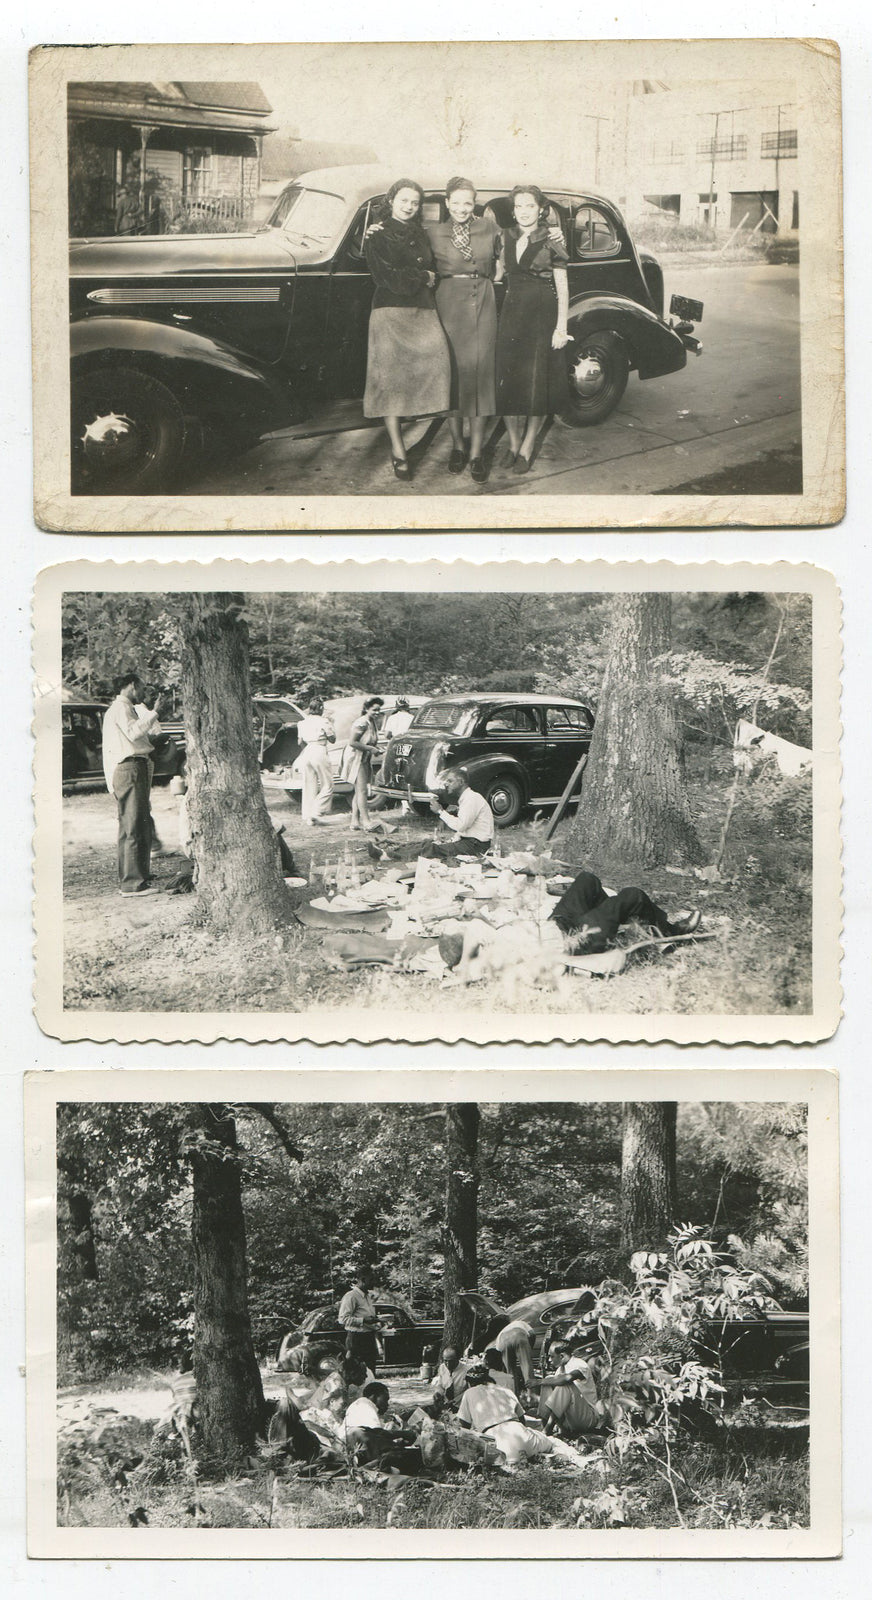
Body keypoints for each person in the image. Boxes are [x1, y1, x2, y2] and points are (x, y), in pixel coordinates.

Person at [363, 179, 451, 479]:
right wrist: (423, 277)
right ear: (392, 201)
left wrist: (428, 276)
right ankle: (398, 449)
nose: (409, 207)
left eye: (414, 202)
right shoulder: (377, 234)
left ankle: (445, 437)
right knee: (390, 383)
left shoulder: (421, 233)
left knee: (439, 366)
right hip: (389, 313)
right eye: (404, 201)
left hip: (423, 311)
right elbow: (386, 277)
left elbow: (435, 268)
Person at [425, 176, 500, 481]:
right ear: (447, 203)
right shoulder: (433, 233)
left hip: (482, 302)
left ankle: (477, 452)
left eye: (467, 202)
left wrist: (554, 234)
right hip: (449, 305)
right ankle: (458, 446)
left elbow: (521, 240)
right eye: (455, 202)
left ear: (474, 203)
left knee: (480, 377)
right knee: (452, 377)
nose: (461, 208)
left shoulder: (490, 228)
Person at [495, 185, 571, 474]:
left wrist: (560, 328)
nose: (524, 212)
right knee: (508, 380)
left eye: (529, 206)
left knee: (536, 382)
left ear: (541, 208)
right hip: (512, 313)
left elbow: (562, 288)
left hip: (542, 314)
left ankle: (526, 447)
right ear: (513, 210)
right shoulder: (504, 237)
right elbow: (498, 273)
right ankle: (512, 444)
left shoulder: (552, 240)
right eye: (518, 206)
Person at [101, 670, 160, 897]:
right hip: (130, 768)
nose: (144, 692)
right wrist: (155, 713)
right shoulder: (122, 708)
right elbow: (134, 733)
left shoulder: (120, 710)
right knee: (134, 824)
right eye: (142, 688)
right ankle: (133, 883)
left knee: (134, 824)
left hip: (130, 768)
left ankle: (135, 875)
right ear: (132, 685)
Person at [456, 1366, 580, 1470]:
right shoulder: (505, 1390)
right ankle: (570, 1454)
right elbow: (522, 1420)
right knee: (551, 1441)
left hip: (498, 1445)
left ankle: (519, 1458)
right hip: (521, 1435)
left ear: (469, 1383)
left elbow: (464, 1428)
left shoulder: (469, 1392)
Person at [549, 869, 702, 953]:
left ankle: (638, 926)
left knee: (587, 879)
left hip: (564, 923)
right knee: (633, 895)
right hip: (581, 939)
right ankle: (672, 933)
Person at [422, 768, 495, 859]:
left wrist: (440, 812)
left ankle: (399, 855)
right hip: (470, 843)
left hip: (476, 847)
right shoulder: (467, 798)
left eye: (450, 781)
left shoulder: (471, 799)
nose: (446, 784)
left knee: (432, 849)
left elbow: (461, 825)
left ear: (461, 782)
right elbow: (464, 826)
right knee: (427, 843)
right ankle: (400, 850)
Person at [538, 1341, 603, 1438]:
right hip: (571, 1419)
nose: (550, 1360)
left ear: (561, 1356)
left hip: (587, 1418)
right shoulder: (560, 1369)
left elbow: (568, 1378)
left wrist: (538, 1382)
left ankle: (547, 1429)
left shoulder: (580, 1364)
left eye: (552, 1356)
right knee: (548, 1381)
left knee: (564, 1383)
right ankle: (545, 1423)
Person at [339, 697, 384, 831]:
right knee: (362, 791)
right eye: (374, 710)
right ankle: (366, 821)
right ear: (366, 709)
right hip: (356, 758)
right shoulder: (362, 723)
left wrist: (377, 749)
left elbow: (370, 741)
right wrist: (371, 749)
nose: (377, 712)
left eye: (378, 710)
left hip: (364, 758)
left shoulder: (371, 722)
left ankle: (354, 822)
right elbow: (353, 742)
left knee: (359, 790)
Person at [295, 697, 336, 826]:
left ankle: (308, 816)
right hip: (319, 748)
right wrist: (331, 724)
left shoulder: (302, 723)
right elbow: (333, 739)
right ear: (320, 709)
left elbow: (299, 742)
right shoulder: (324, 721)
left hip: (307, 750)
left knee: (308, 784)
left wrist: (308, 749)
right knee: (328, 784)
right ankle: (316, 812)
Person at [337, 1269, 380, 1373]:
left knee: (370, 1372)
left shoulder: (368, 1296)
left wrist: (377, 1321)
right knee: (355, 1373)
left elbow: (367, 1317)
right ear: (363, 1280)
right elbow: (342, 1319)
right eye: (372, 1280)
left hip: (369, 1337)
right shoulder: (351, 1296)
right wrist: (363, 1320)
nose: (374, 1283)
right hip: (356, 1339)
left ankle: (369, 1389)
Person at [488, 1316, 536, 1399]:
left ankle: (513, 1397)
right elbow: (532, 1334)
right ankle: (531, 1396)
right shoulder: (519, 1322)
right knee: (526, 1367)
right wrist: (528, 1350)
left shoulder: (500, 1333)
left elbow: (499, 1351)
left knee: (510, 1372)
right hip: (520, 1335)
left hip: (502, 1341)